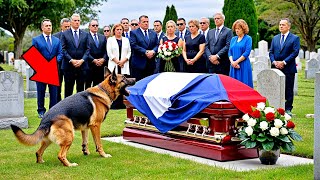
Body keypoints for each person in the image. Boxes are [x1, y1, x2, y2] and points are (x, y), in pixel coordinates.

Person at [32, 19, 63, 118]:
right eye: (46, 26)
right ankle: (41, 111)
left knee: (54, 93)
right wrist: (44, 66)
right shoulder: (36, 40)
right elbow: (34, 55)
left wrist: (54, 63)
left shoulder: (57, 40)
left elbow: (60, 53)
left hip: (53, 70)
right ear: (42, 27)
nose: (49, 27)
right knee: (41, 92)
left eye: (50, 25)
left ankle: (52, 111)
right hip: (41, 70)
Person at [269, 18, 300, 115]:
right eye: (280, 24)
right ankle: (276, 106)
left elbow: (295, 52)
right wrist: (274, 62)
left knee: (288, 89)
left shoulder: (294, 38)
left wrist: (284, 62)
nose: (281, 26)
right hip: (276, 67)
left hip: (288, 67)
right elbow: (271, 52)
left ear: (289, 26)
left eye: (283, 25)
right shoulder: (275, 38)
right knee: (276, 88)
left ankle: (288, 109)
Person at [61, 13, 90, 98]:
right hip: (69, 67)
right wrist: (71, 60)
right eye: (75, 20)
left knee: (81, 91)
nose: (77, 22)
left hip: (82, 67)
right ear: (71, 22)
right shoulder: (65, 34)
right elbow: (63, 49)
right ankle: (67, 110)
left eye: (78, 20)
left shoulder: (85, 34)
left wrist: (82, 60)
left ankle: (80, 110)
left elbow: (88, 49)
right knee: (68, 90)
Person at [107, 23, 131, 109]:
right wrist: (117, 62)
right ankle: (114, 103)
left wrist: (123, 61)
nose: (119, 31)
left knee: (122, 84)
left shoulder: (126, 40)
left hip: (124, 65)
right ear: (114, 31)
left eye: (121, 29)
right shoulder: (110, 40)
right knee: (114, 84)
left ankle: (121, 103)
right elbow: (109, 53)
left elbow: (129, 52)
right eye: (117, 29)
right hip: (114, 64)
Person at [130, 15, 158, 81]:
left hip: (151, 64)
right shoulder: (134, 33)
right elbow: (134, 45)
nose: (146, 23)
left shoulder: (153, 33)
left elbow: (157, 44)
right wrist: (145, 52)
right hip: (139, 64)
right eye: (144, 22)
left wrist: (153, 51)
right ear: (139, 23)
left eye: (147, 22)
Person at [228, 19, 253, 88]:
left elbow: (247, 52)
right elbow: (230, 51)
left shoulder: (248, 38)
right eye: (235, 28)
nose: (236, 30)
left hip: (243, 64)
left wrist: (237, 62)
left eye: (238, 28)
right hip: (233, 65)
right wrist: (232, 62)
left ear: (243, 29)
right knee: (233, 85)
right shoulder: (233, 39)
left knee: (244, 84)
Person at [86, 19, 108, 89]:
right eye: (93, 25)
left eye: (96, 25)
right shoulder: (85, 37)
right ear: (89, 26)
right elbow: (85, 51)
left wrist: (103, 59)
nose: (95, 27)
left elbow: (106, 50)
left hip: (101, 67)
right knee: (88, 87)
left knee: (99, 87)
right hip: (90, 66)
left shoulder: (102, 37)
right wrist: (93, 60)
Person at [53, 18, 70, 102]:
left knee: (68, 87)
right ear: (61, 26)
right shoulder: (55, 37)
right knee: (57, 87)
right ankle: (57, 104)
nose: (67, 28)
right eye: (65, 26)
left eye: (68, 27)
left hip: (69, 66)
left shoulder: (72, 36)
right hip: (58, 66)